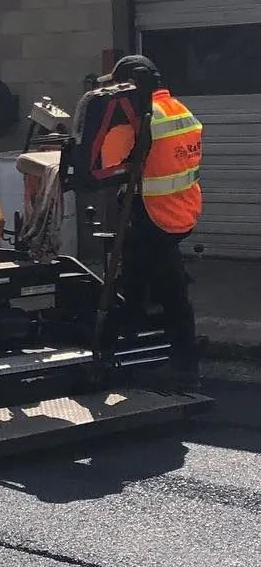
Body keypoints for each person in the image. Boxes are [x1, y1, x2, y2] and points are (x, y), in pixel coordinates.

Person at [107, 54, 203, 380]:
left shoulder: (146, 118)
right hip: (182, 209)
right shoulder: (179, 109)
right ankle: (139, 344)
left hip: (154, 214)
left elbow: (111, 160)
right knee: (149, 277)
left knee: (160, 286)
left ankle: (179, 362)